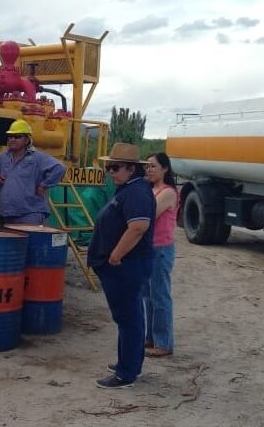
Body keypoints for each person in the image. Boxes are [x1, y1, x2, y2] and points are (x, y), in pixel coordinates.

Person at [88, 142, 155, 389]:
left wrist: (115, 256)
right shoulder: (129, 189)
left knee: (128, 318)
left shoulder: (136, 193)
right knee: (129, 316)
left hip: (126, 265)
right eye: (109, 167)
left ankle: (127, 373)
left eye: (114, 167)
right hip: (125, 265)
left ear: (131, 169)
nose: (110, 172)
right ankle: (128, 363)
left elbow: (138, 227)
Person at [0, 119, 66, 225]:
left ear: (27, 140)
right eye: (10, 137)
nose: (12, 139)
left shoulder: (37, 158)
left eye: (17, 137)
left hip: (30, 214)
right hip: (8, 215)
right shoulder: (3, 157)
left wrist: (44, 185)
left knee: (30, 242)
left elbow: (59, 168)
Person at [143, 152, 179, 357]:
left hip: (161, 249)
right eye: (147, 166)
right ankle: (151, 337)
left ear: (165, 169)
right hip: (149, 248)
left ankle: (164, 343)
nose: (149, 170)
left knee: (160, 296)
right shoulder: (150, 190)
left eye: (153, 166)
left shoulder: (168, 193)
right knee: (147, 297)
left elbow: (147, 215)